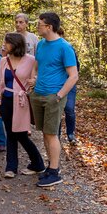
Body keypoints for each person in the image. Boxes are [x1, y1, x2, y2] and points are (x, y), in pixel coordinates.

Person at [29, 12, 79, 187]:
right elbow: (37, 65)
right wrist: (34, 80)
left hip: (53, 97)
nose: (37, 26)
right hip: (38, 94)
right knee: (45, 132)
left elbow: (73, 76)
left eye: (40, 24)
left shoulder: (65, 47)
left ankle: (55, 171)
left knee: (51, 134)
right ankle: (51, 167)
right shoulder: (41, 44)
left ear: (49, 27)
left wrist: (58, 96)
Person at [0, 32, 46, 179]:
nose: (4, 45)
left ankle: (38, 163)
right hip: (6, 101)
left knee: (21, 135)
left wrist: (34, 81)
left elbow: (37, 77)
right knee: (10, 134)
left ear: (15, 44)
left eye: (7, 42)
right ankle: (11, 167)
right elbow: (1, 82)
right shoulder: (4, 61)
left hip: (21, 102)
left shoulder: (30, 60)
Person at [56, 27, 79, 145]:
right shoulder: (51, 49)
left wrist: (71, 80)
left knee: (69, 109)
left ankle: (71, 134)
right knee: (57, 110)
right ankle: (57, 135)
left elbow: (76, 68)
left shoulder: (69, 48)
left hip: (69, 85)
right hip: (56, 85)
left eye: (61, 35)